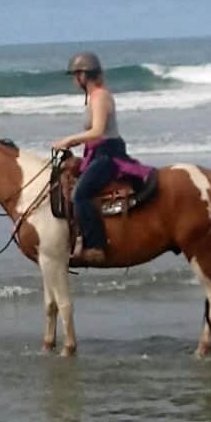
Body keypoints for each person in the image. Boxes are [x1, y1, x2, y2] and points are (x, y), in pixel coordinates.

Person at [52, 51, 128, 265]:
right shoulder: (93, 98)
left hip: (108, 155)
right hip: (96, 153)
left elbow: (97, 132)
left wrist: (69, 140)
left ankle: (96, 246)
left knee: (80, 194)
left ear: (83, 76)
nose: (74, 81)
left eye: (75, 75)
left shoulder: (101, 96)